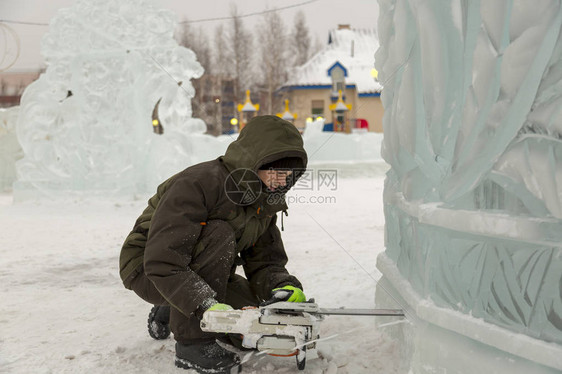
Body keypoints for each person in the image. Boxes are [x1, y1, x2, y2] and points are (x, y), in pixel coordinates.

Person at [119, 115, 309, 373]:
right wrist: (204, 305)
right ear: (254, 162)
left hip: (204, 271)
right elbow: (163, 260)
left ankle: (173, 305)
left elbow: (265, 260)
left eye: (288, 174)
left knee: (251, 322)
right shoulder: (199, 183)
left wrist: (282, 287)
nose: (281, 181)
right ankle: (193, 346)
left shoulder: (265, 200)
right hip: (148, 268)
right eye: (275, 171)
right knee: (218, 233)